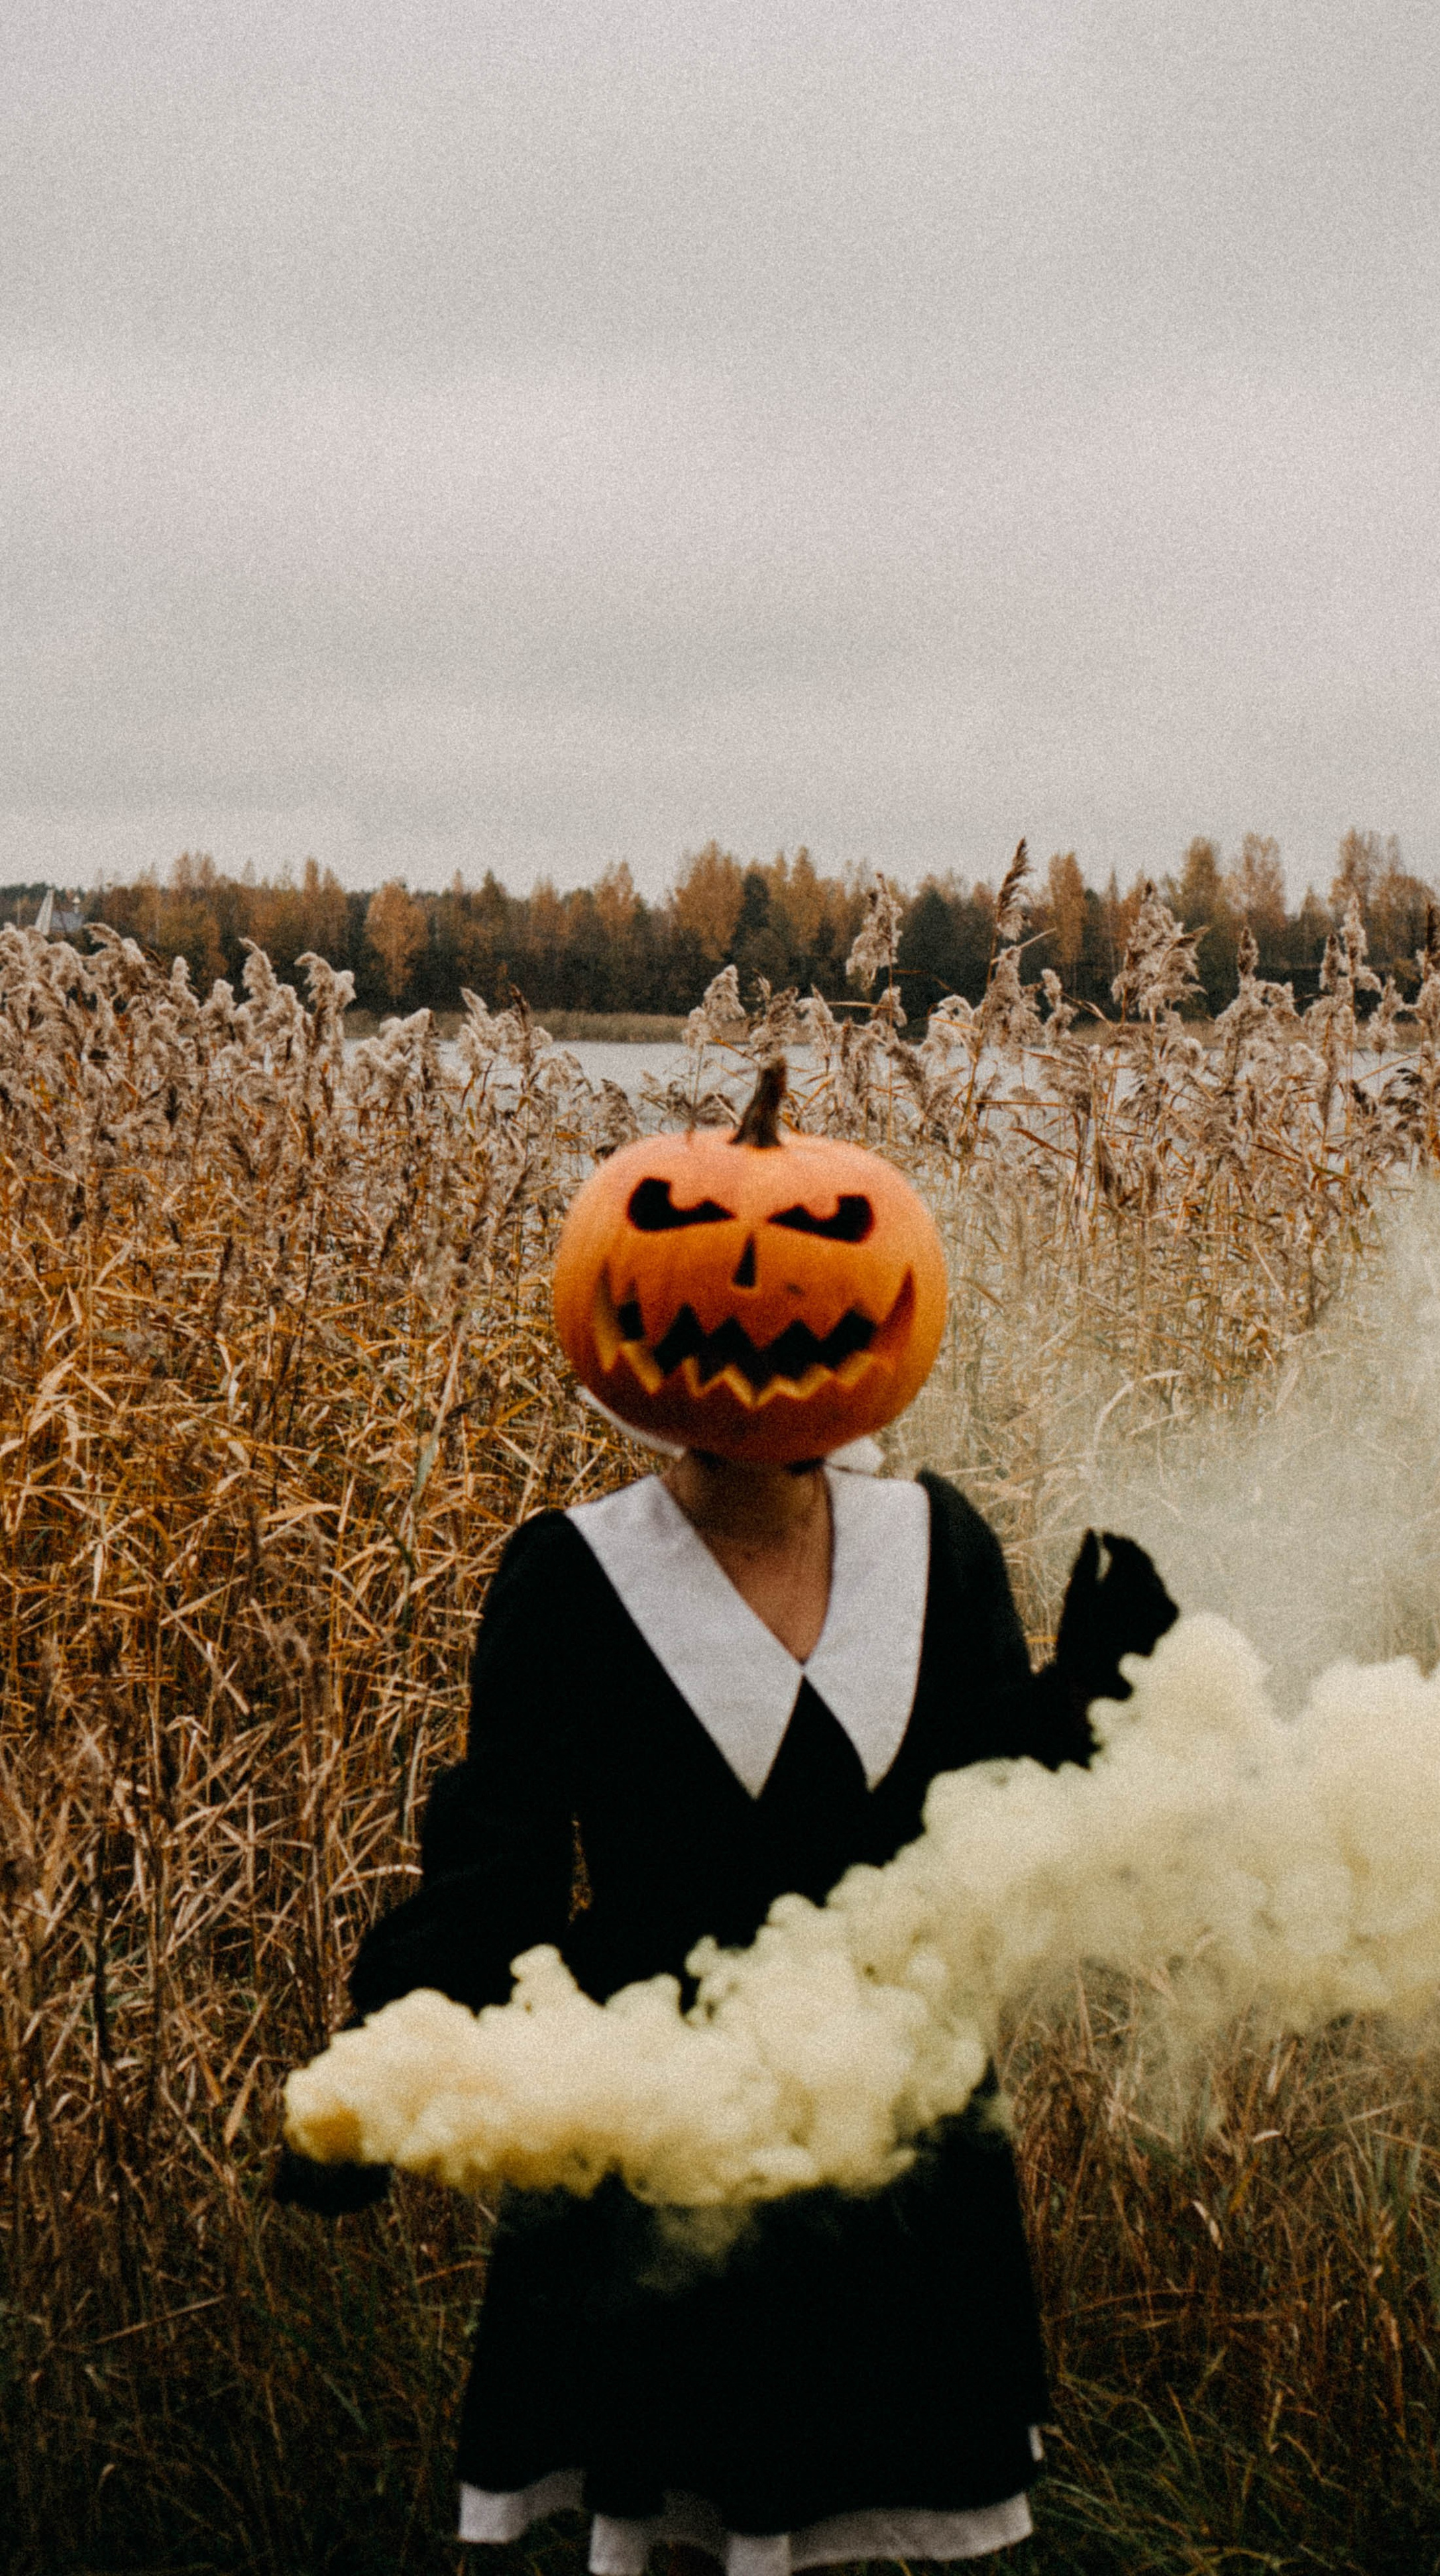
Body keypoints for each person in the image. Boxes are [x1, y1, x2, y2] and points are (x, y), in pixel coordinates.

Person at [277, 1071, 1176, 2573]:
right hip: (659, 2128)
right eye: (693, 1238)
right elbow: (498, 1872)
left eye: (818, 1252)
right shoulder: (569, 1579)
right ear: (617, 1312)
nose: (758, 1294)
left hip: (894, 2123)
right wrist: (379, 2080)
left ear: (884, 1309)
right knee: (689, 2524)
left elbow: (990, 1818)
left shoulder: (939, 1544)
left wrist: (1100, 1695)